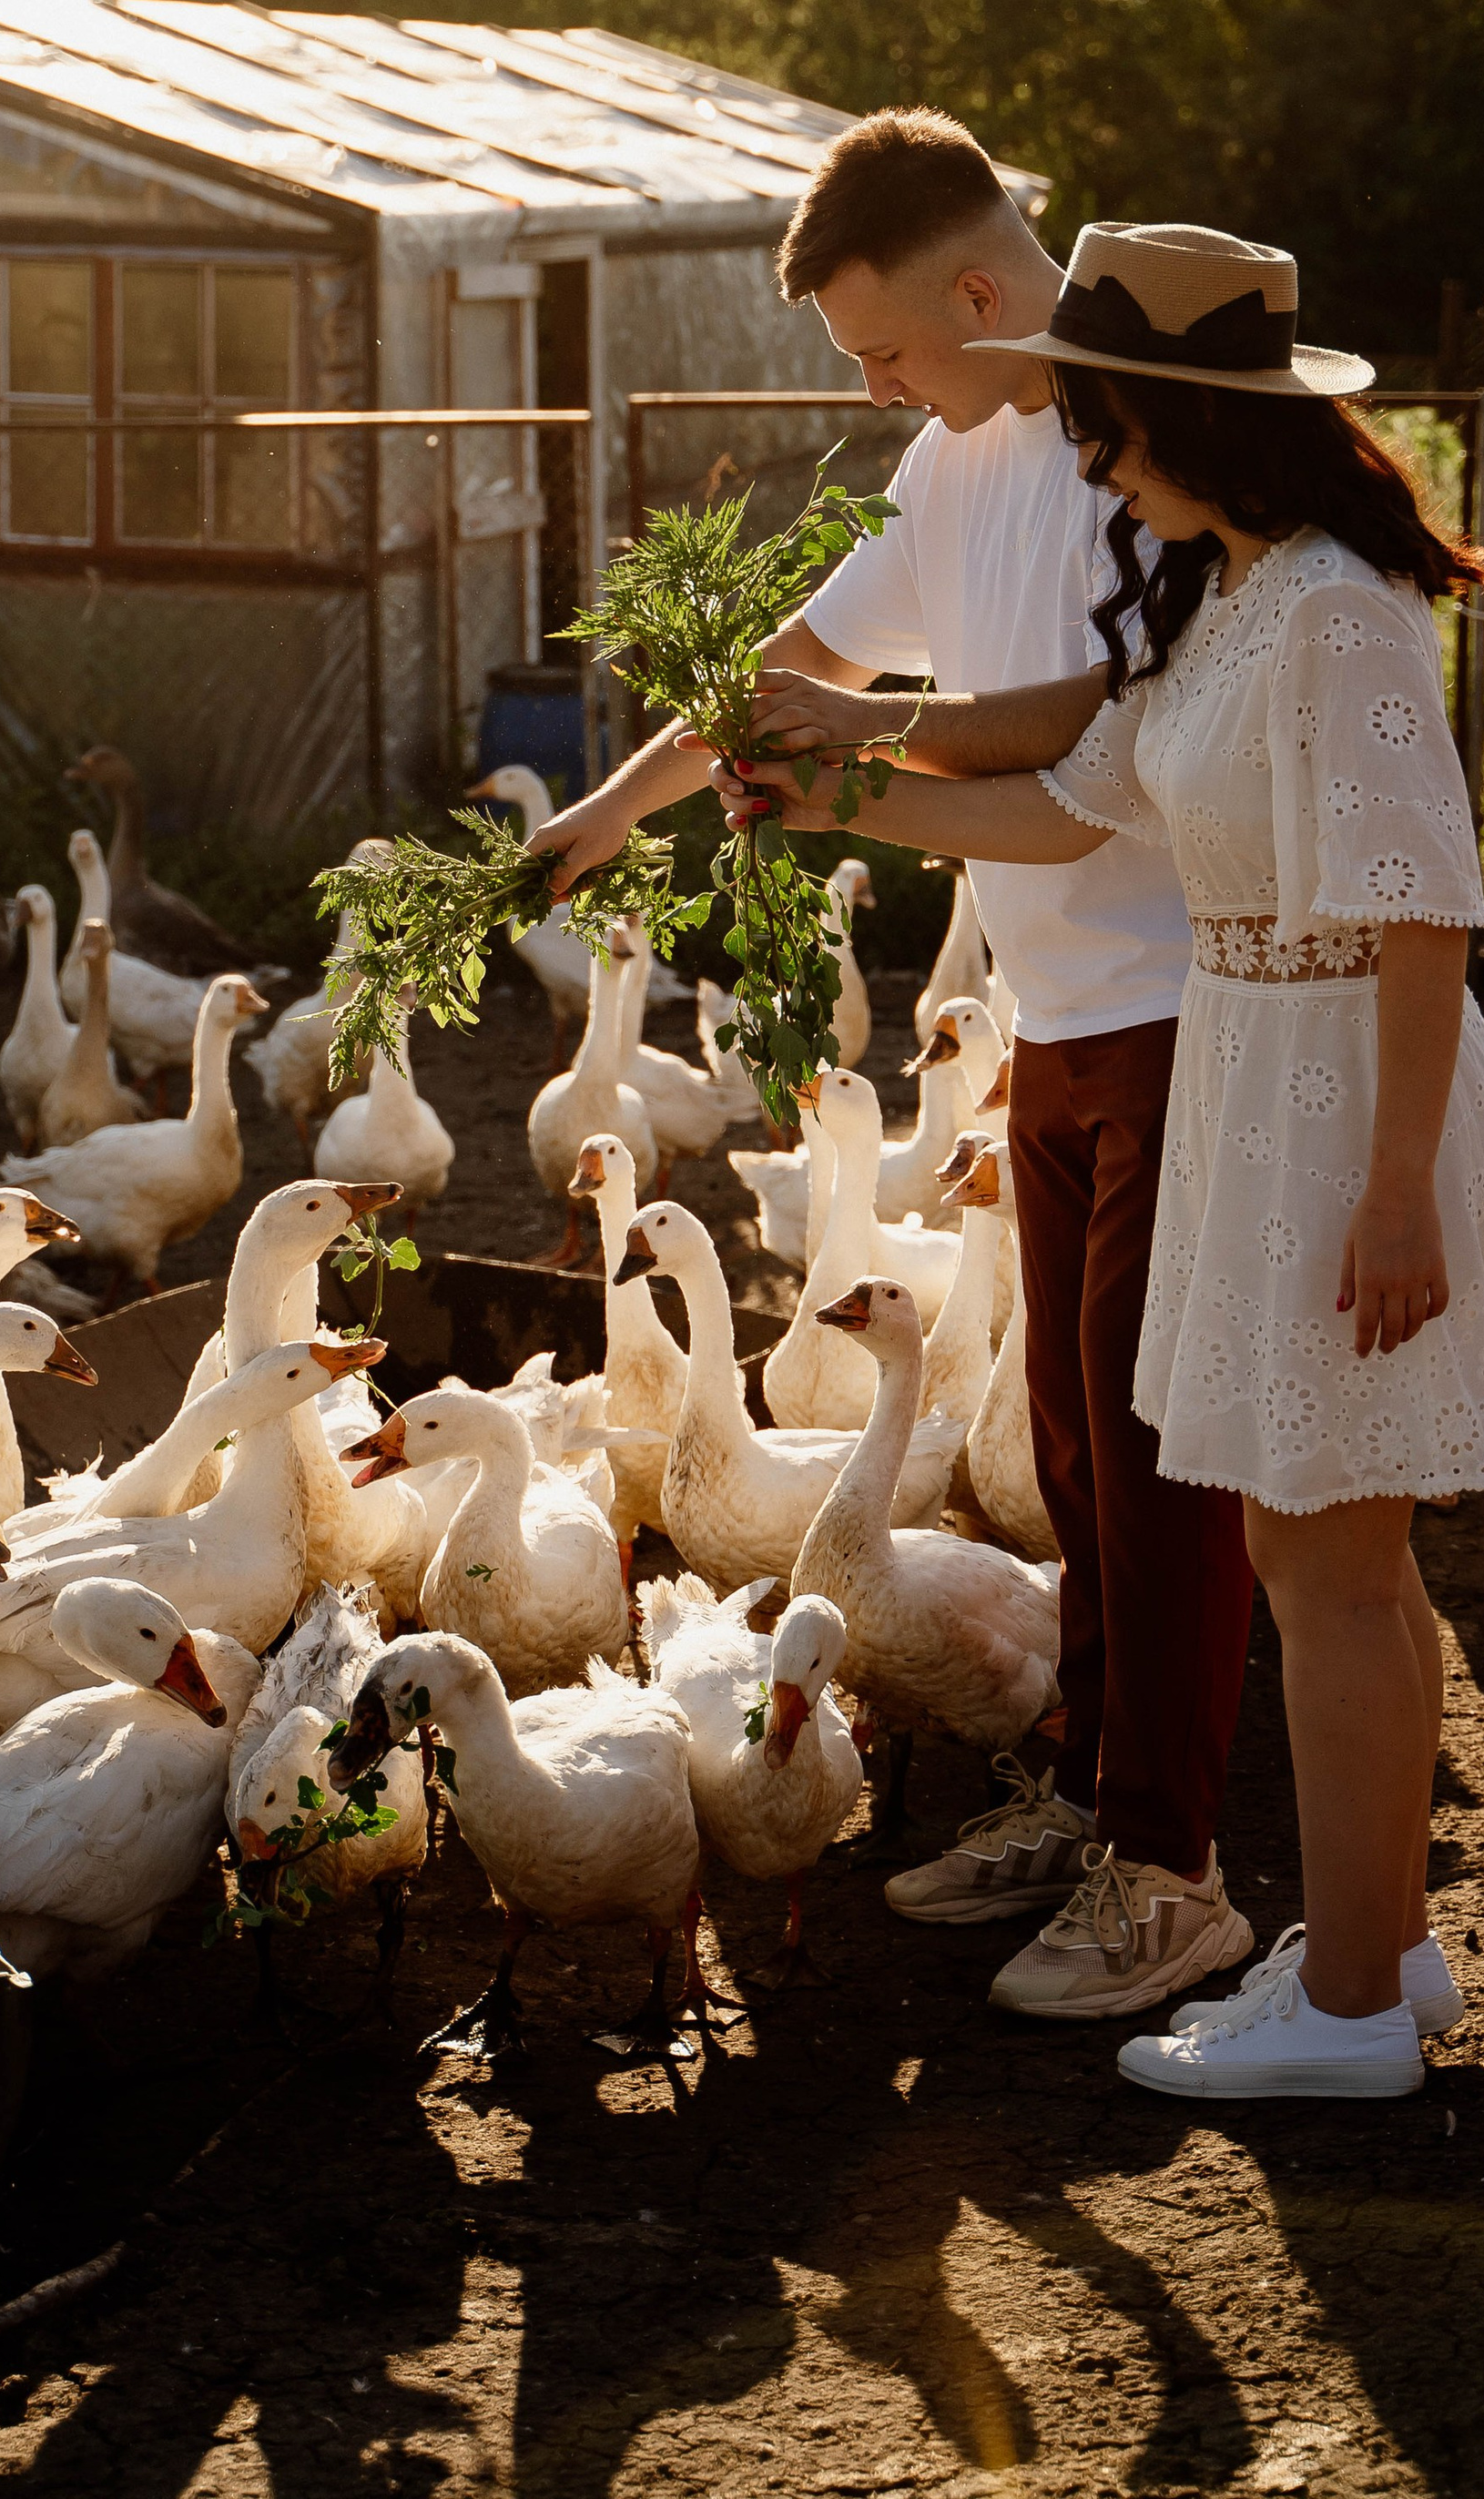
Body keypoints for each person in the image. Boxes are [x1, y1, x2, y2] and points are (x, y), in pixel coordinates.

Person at [722, 218, 1484, 2099]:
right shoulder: (1225, 595)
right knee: (1332, 1552)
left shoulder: (1335, 612)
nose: (1084, 460)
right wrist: (824, 786)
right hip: (1266, 1073)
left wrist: (1393, 1182)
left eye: (1100, 424)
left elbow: (1420, 906)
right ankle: (1383, 1958)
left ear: (1187, 420)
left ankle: (1343, 2015)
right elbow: (1056, 801)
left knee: (1324, 1564)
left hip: (1340, 1094)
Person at [529, 111, 1263, 2026]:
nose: (869, 388)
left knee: (1153, 1449)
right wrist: (606, 815)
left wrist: (853, 750)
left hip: (1197, 1002)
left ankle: (1171, 1868)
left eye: (879, 349)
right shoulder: (950, 464)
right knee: (1082, 1455)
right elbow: (791, 663)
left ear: (971, 285)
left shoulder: (1136, 456)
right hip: (1055, 1019)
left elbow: (1075, 744)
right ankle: (1100, 1797)